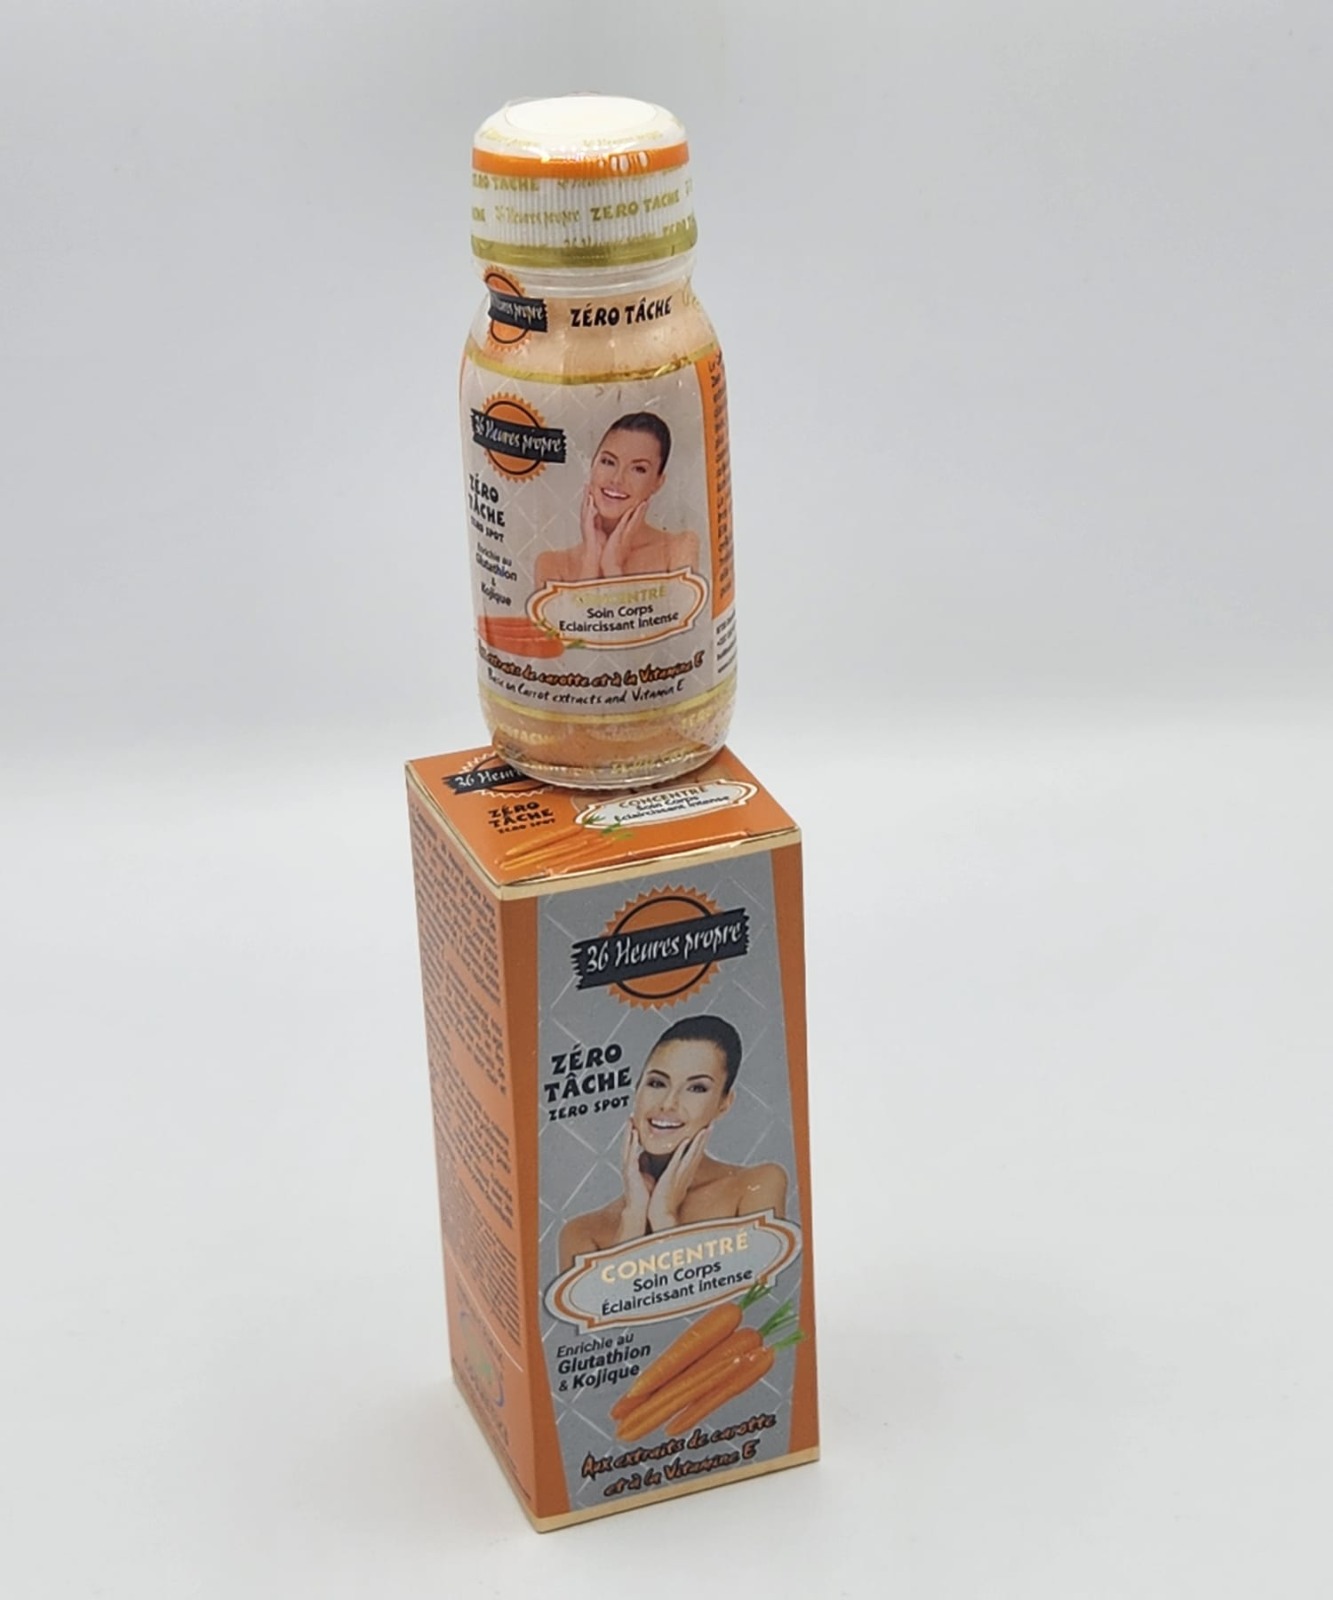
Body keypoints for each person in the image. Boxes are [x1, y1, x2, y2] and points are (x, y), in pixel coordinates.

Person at [558, 1016, 787, 1272]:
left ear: (724, 1103)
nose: (668, 1103)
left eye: (696, 1088)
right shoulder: (581, 1232)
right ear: (637, 1090)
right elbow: (615, 1301)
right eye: (657, 1083)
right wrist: (633, 1218)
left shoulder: (757, 1185)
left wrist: (664, 1217)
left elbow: (756, 1294)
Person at [534, 413, 701, 585]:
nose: (617, 479)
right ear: (592, 465)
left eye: (638, 469)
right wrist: (591, 560)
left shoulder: (677, 549)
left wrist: (612, 566)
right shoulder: (552, 565)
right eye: (608, 462)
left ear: (658, 483)